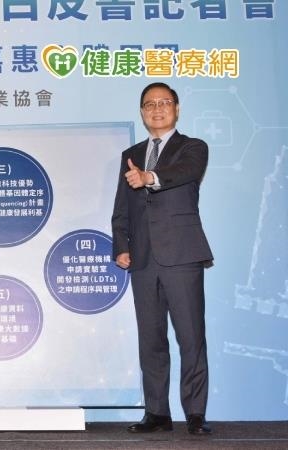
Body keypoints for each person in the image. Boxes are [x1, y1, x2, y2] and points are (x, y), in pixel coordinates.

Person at [112, 82, 214, 435]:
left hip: (182, 255)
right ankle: (157, 413)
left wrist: (149, 177)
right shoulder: (131, 153)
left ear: (177, 108)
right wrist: (121, 245)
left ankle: (196, 414)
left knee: (191, 337)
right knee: (151, 339)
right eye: (149, 104)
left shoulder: (193, 148)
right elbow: (122, 207)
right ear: (142, 112)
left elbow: (184, 173)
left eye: (164, 102)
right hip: (143, 259)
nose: (157, 109)